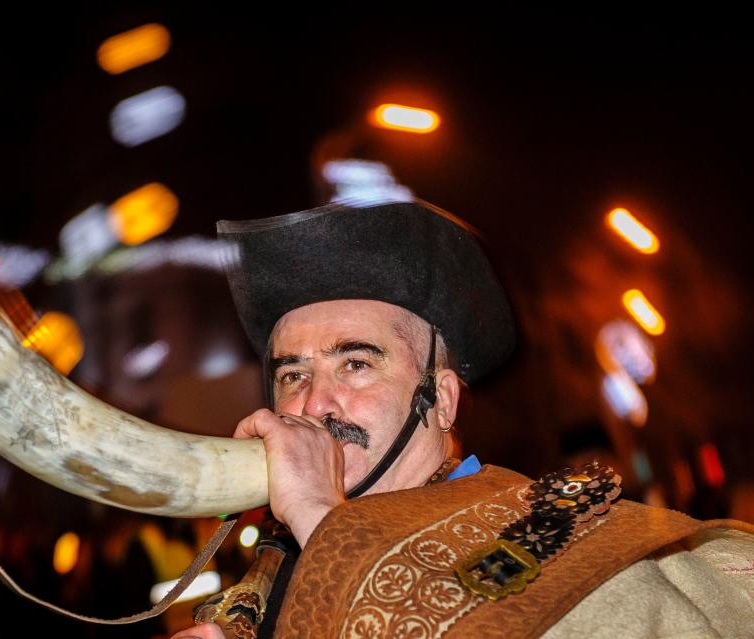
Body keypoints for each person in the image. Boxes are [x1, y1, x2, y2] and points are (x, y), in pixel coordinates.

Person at [173, 198, 754, 638]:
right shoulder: (259, 587)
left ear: (442, 399)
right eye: (293, 375)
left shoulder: (558, 532)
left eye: (355, 363)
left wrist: (323, 521)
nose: (314, 404)